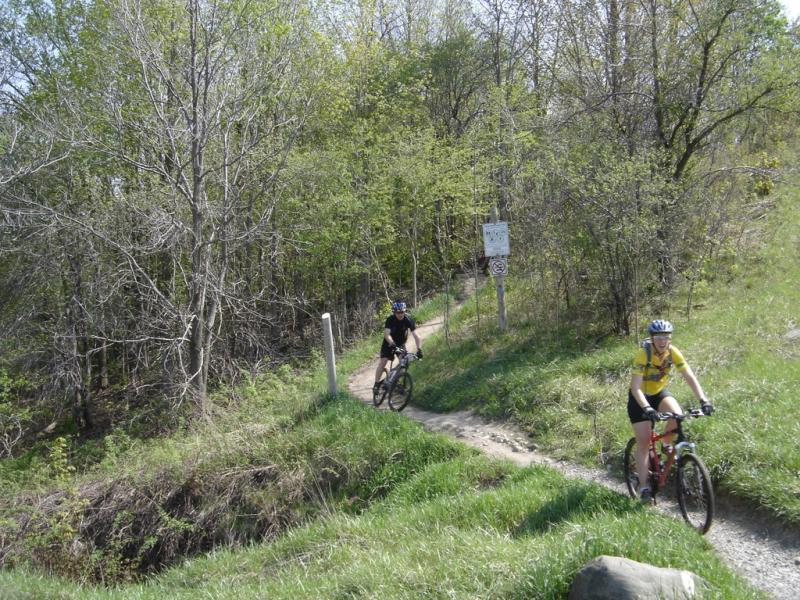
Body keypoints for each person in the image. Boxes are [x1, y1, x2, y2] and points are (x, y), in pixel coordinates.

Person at [628, 319, 714, 504]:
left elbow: (689, 376)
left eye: (666, 337)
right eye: (658, 337)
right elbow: (635, 388)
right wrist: (647, 408)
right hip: (640, 399)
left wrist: (703, 399)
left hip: (658, 393)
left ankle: (666, 445)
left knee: (677, 415)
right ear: (652, 339)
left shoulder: (672, 352)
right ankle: (644, 486)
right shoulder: (643, 354)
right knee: (643, 442)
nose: (662, 341)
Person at [373, 300, 423, 394]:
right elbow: (387, 334)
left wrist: (419, 350)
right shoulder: (390, 319)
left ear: (405, 311)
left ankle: (397, 381)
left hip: (400, 344)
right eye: (398, 312)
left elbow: (417, 336)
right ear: (394, 312)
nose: (400, 314)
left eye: (402, 312)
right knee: (383, 362)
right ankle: (376, 384)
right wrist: (392, 343)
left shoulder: (408, 319)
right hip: (389, 343)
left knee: (404, 363)